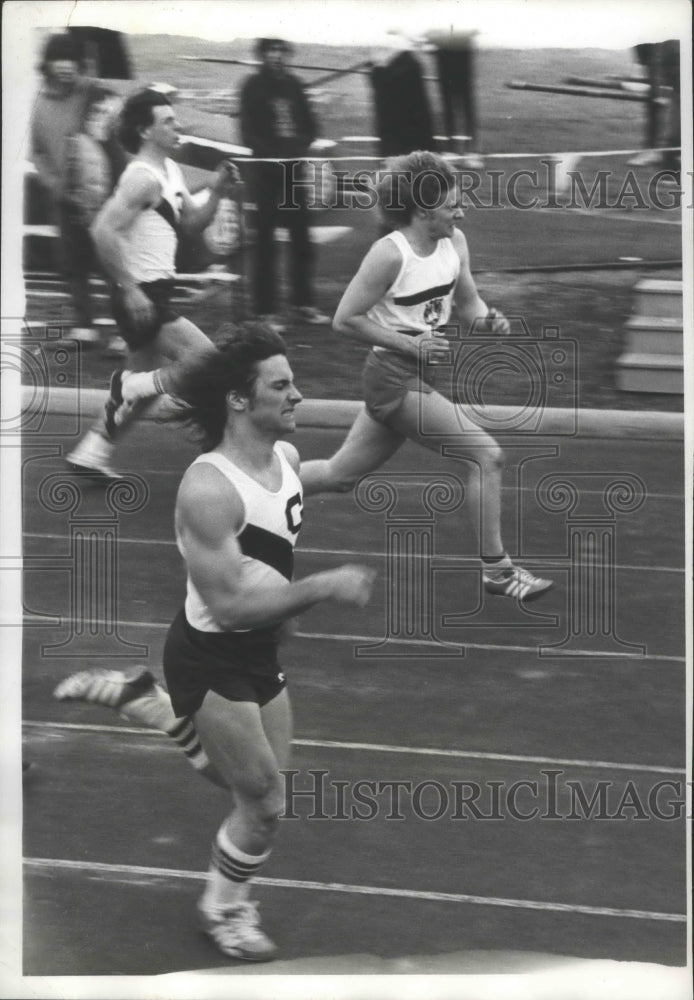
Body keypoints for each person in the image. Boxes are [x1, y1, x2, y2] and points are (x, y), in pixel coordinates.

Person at [54, 325, 376, 961]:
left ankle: (146, 701)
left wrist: (389, 409)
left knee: (249, 785)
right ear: (238, 399)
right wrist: (322, 586)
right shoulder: (208, 489)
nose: (298, 396)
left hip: (259, 653)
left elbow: (331, 473)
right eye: (281, 386)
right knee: (264, 802)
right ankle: (223, 910)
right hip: (212, 654)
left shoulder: (279, 461)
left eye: (294, 384)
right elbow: (228, 607)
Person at [300, 151, 553, 602]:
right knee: (485, 456)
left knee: (340, 474)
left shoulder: (455, 243)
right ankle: (498, 571)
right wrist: (410, 343)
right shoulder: (388, 255)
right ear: (422, 211)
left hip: (419, 377)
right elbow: (344, 319)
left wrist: (489, 318)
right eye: (453, 204)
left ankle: (251, 485)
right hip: (391, 378)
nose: (462, 210)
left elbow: (469, 303)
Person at [66, 88, 241, 479]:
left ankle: (90, 453)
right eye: (168, 122)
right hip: (142, 297)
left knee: (145, 388)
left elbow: (191, 224)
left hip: (155, 292)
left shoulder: (170, 172)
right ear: (146, 131)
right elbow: (102, 231)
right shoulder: (141, 180)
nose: (177, 127)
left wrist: (216, 190)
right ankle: (225, 453)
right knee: (209, 364)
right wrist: (129, 288)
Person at [239, 37, 329, 332]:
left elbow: (311, 127)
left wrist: (297, 149)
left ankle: (303, 304)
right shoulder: (251, 86)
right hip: (265, 173)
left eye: (280, 51)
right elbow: (247, 133)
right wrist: (270, 155)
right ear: (262, 55)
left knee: (302, 238)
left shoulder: (295, 85)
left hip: (293, 171)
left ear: (287, 55)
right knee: (264, 241)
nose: (276, 56)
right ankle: (264, 311)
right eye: (270, 51)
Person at [30, 32, 99, 343]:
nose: (66, 67)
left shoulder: (91, 95)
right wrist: (53, 183)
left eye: (72, 60)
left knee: (110, 261)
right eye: (59, 60)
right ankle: (84, 326)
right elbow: (38, 152)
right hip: (63, 197)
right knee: (71, 263)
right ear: (47, 64)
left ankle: (127, 331)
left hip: (99, 195)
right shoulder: (40, 104)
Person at [63, 86, 127, 356]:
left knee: (113, 275)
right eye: (96, 112)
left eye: (107, 113)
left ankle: (124, 332)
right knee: (76, 269)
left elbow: (122, 183)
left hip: (107, 219)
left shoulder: (116, 147)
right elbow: (67, 175)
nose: (101, 118)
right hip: (78, 217)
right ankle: (83, 327)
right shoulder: (75, 141)